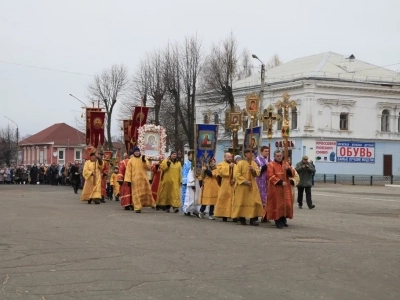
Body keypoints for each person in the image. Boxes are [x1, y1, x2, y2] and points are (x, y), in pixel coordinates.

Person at [231, 149, 264, 226]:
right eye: (249, 153)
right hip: (242, 187)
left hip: (252, 186)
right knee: (242, 201)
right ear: (245, 154)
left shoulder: (253, 163)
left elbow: (258, 173)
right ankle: (242, 219)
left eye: (252, 153)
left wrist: (253, 170)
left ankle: (253, 219)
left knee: (254, 201)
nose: (251, 154)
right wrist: (245, 181)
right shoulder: (240, 163)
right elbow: (236, 175)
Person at [266, 150, 296, 228]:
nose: (279, 157)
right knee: (277, 204)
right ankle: (278, 220)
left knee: (286, 204)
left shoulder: (286, 164)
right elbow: (270, 176)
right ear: (274, 156)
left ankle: (283, 219)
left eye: (280, 156)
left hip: (286, 187)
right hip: (276, 188)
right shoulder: (271, 164)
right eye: (277, 156)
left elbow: (292, 174)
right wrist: (280, 182)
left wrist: (288, 169)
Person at [124, 147, 155, 213]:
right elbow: (128, 171)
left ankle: (146, 204)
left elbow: (148, 167)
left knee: (145, 192)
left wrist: (144, 161)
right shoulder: (131, 160)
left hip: (144, 179)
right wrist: (128, 180)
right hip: (135, 180)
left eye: (138, 151)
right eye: (135, 151)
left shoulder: (143, 159)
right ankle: (137, 207)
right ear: (134, 152)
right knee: (136, 194)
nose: (137, 152)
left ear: (139, 152)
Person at [214, 153, 236, 222]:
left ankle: (233, 215)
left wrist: (234, 179)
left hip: (233, 184)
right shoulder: (221, 164)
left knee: (233, 199)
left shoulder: (235, 165)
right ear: (225, 157)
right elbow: (221, 172)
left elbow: (237, 173)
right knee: (224, 199)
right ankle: (224, 215)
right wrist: (229, 167)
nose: (230, 158)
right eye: (228, 157)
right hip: (225, 184)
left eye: (231, 157)